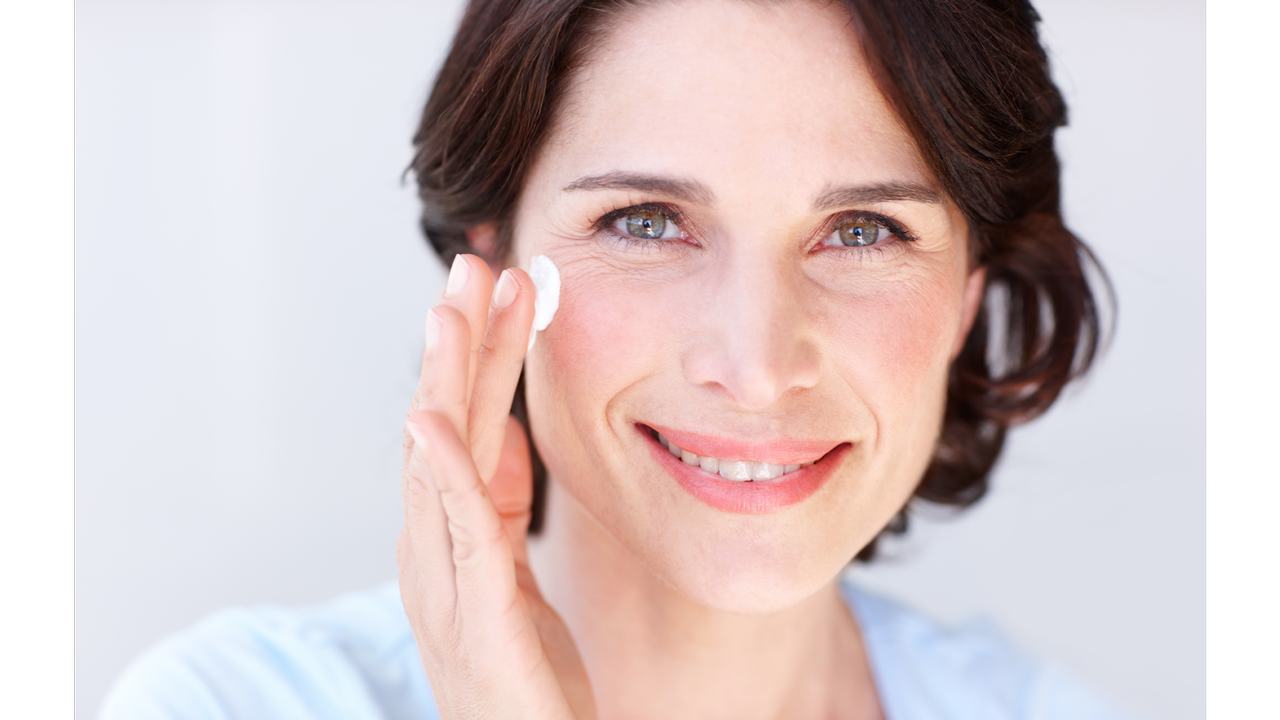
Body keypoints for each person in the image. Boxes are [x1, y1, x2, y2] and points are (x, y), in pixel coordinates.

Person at [101, 0, 1129, 717]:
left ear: (965, 298)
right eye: (646, 221)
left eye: (860, 231)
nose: (758, 365)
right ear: (488, 264)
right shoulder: (225, 705)